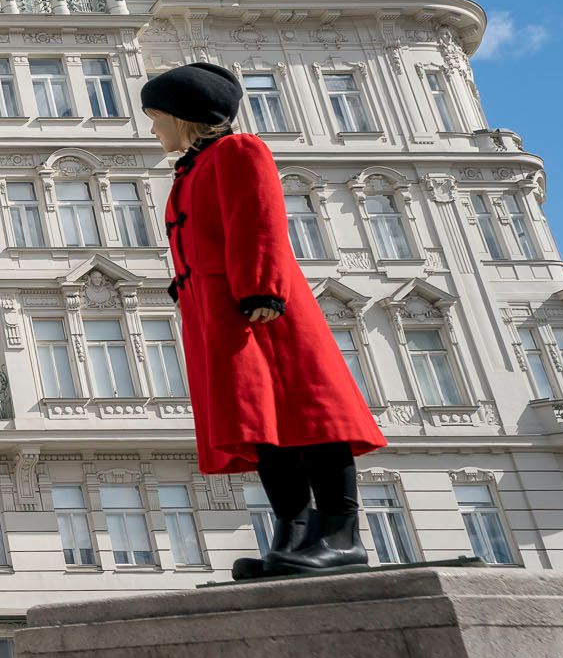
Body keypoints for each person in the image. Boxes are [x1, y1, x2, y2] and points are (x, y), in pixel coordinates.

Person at [143, 63, 386, 575]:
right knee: (260, 423)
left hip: (258, 303)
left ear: (186, 117)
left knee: (308, 411)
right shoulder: (191, 167)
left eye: (157, 116)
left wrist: (260, 288)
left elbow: (259, 218)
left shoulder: (238, 150)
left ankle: (342, 533)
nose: (153, 127)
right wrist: (187, 279)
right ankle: (293, 535)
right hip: (218, 308)